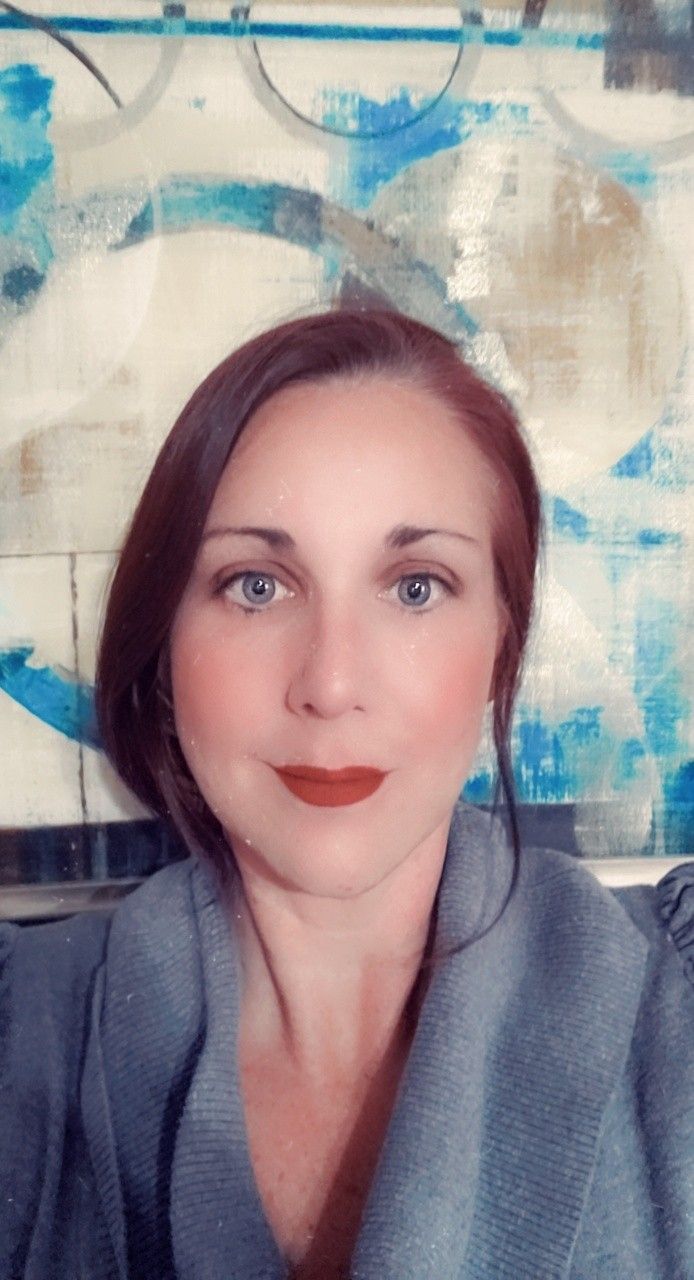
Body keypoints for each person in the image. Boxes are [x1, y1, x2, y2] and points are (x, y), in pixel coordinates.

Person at [0, 306, 692, 1280]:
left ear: (501, 644)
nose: (329, 684)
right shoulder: (23, 1036)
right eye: (256, 585)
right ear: (165, 643)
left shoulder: (674, 1005)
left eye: (415, 587)